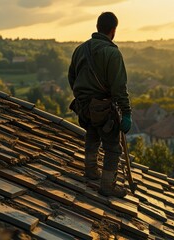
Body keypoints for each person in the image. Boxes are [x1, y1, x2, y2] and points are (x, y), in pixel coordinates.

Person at [68, 12, 131, 198]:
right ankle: (107, 185)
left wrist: (81, 96)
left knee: (93, 134)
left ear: (97, 27)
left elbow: (71, 76)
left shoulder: (80, 49)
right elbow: (119, 87)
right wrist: (126, 113)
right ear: (113, 30)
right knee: (113, 147)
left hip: (83, 106)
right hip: (103, 107)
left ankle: (90, 169)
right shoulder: (112, 53)